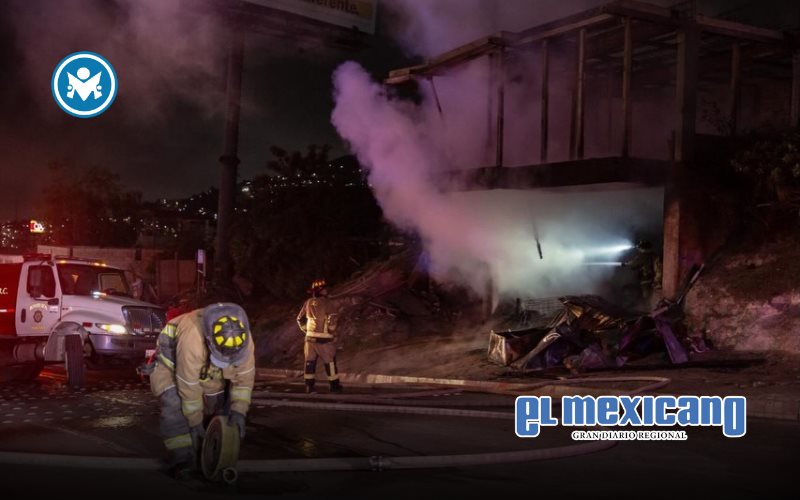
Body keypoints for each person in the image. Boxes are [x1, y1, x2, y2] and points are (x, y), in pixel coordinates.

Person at [148, 302, 255, 477]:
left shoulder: (242, 336)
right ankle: (181, 458)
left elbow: (244, 378)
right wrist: (194, 420)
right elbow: (188, 386)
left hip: (208, 369)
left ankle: (205, 454)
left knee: (216, 411)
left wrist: (239, 412)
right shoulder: (192, 335)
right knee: (177, 407)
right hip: (172, 367)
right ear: (209, 340)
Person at [296, 279, 343, 394]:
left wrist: (306, 330)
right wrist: (332, 331)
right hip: (324, 340)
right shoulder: (327, 303)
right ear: (319, 291)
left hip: (309, 339)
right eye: (324, 289)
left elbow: (299, 319)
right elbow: (333, 319)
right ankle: (334, 386)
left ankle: (309, 387)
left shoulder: (308, 302)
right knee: (330, 362)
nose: (326, 290)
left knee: (309, 363)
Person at [622, 240, 658, 304]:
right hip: (654, 278)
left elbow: (634, 264)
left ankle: (647, 308)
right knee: (651, 293)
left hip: (646, 278)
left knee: (646, 295)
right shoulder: (653, 254)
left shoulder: (643, 256)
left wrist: (625, 264)